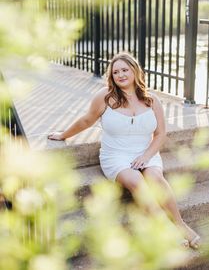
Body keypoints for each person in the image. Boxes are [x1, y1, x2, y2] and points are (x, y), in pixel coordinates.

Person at [48, 52, 200, 249]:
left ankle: (181, 225)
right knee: (137, 181)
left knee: (155, 178)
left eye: (124, 70)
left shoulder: (152, 100)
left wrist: (146, 157)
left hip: (146, 153)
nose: (120, 75)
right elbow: (86, 120)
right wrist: (63, 135)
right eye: (115, 72)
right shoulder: (104, 97)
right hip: (115, 156)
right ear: (111, 76)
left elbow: (161, 134)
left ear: (135, 71)